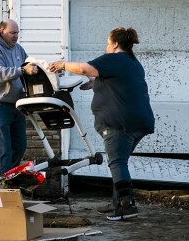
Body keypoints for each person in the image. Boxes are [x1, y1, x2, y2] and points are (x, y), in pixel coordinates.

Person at [48, 27, 155, 221]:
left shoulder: (113, 59)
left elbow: (82, 69)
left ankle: (127, 206)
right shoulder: (132, 63)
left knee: (117, 162)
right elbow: (118, 82)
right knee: (120, 162)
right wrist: (94, 83)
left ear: (115, 43)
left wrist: (62, 64)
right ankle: (117, 202)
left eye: (108, 42)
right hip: (140, 122)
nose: (106, 45)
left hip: (119, 123)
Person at [0, 19, 39, 180]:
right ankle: (4, 186)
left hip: (16, 104)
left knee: (19, 146)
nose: (16, 36)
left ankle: (5, 182)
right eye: (12, 33)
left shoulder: (18, 49)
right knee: (5, 146)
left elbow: (28, 69)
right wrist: (22, 70)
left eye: (17, 33)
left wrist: (45, 72)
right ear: (2, 31)